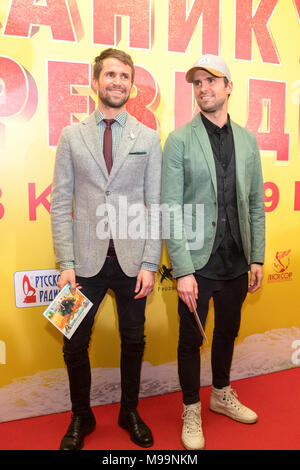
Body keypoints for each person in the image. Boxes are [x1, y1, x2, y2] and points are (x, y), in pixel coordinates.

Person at [50, 48, 162, 450]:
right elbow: (62, 203)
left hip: (132, 262)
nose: (117, 82)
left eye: (125, 76)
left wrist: (150, 261)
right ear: (96, 82)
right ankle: (82, 414)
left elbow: (157, 204)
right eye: (110, 75)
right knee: (72, 342)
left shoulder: (148, 138)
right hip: (81, 263)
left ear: (132, 87)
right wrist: (65, 263)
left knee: (134, 339)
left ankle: (128, 410)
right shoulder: (71, 135)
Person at [161, 54, 265, 450]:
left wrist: (256, 256)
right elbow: (170, 208)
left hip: (237, 260)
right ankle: (191, 408)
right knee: (191, 339)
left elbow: (255, 203)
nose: (203, 88)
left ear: (228, 87)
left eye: (211, 80)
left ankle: (220, 395)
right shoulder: (179, 140)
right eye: (197, 83)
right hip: (197, 265)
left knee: (227, 332)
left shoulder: (249, 140)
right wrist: (182, 269)